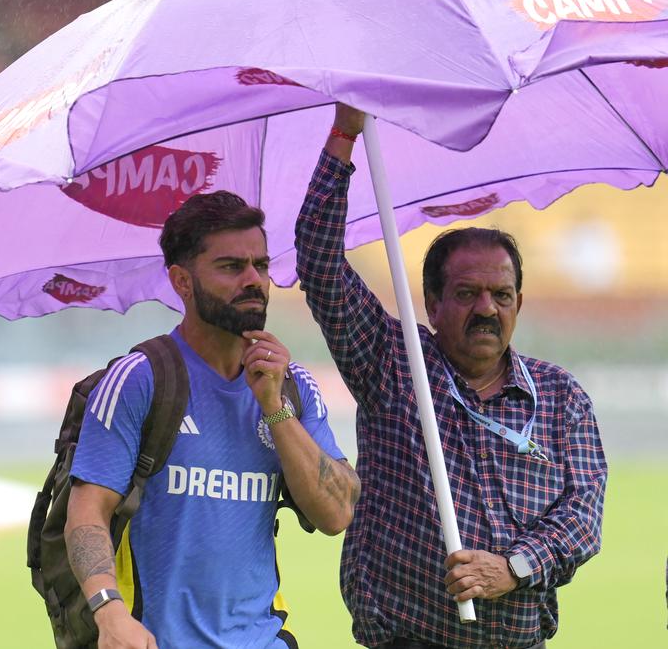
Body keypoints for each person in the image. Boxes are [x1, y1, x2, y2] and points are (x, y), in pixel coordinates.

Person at [295, 105, 607, 649]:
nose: (486, 308)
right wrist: (345, 134)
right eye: (467, 294)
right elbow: (319, 260)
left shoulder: (561, 398)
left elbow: (583, 514)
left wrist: (514, 566)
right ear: (433, 304)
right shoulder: (391, 363)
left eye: (501, 295)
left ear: (519, 303)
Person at [66, 191, 360, 648]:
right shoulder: (140, 379)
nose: (253, 280)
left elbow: (338, 513)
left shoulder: (292, 385)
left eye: (260, 266)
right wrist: (110, 613)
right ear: (182, 282)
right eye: (231, 267)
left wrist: (274, 407)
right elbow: (87, 512)